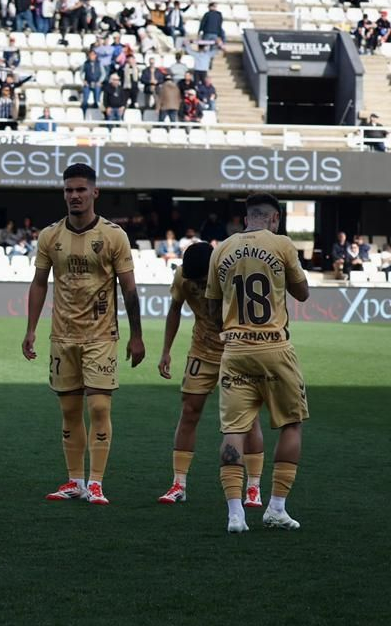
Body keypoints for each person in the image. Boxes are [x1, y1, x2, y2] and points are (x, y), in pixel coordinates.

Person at [21, 162, 144, 506]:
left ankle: (96, 483)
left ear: (94, 192)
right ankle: (75, 481)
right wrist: (31, 329)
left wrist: (136, 336)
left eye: (80, 190)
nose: (74, 196)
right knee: (70, 411)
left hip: (101, 335)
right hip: (62, 336)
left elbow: (129, 289)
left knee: (100, 407)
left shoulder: (114, 236)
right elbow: (39, 283)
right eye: (68, 190)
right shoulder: (49, 236)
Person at [206, 194, 311, 533]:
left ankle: (235, 514)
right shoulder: (281, 245)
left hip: (235, 351)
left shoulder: (221, 249)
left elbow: (212, 309)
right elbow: (302, 293)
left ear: (246, 217)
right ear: (274, 218)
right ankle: (276, 508)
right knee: (291, 424)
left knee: (233, 431)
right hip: (275, 349)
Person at [156, 240, 266, 508]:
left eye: (203, 280)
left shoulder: (235, 274)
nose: (199, 285)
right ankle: (179, 484)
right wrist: (166, 350)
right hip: (202, 350)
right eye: (195, 281)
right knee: (189, 411)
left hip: (237, 350)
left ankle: (253, 487)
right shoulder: (183, 277)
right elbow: (174, 309)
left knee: (248, 419)